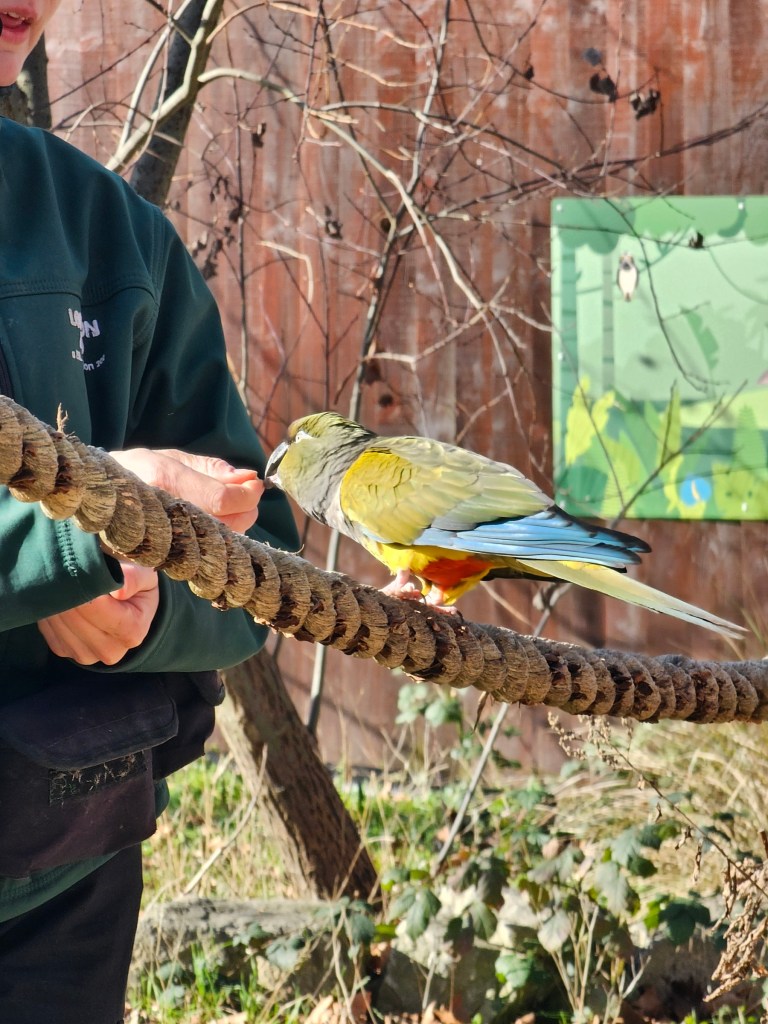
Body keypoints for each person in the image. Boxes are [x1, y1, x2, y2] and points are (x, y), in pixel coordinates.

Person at [0, 3, 299, 1021]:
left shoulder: (107, 232)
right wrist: (54, 550)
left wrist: (141, 599)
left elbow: (267, 566)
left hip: (61, 867)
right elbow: (56, 544)